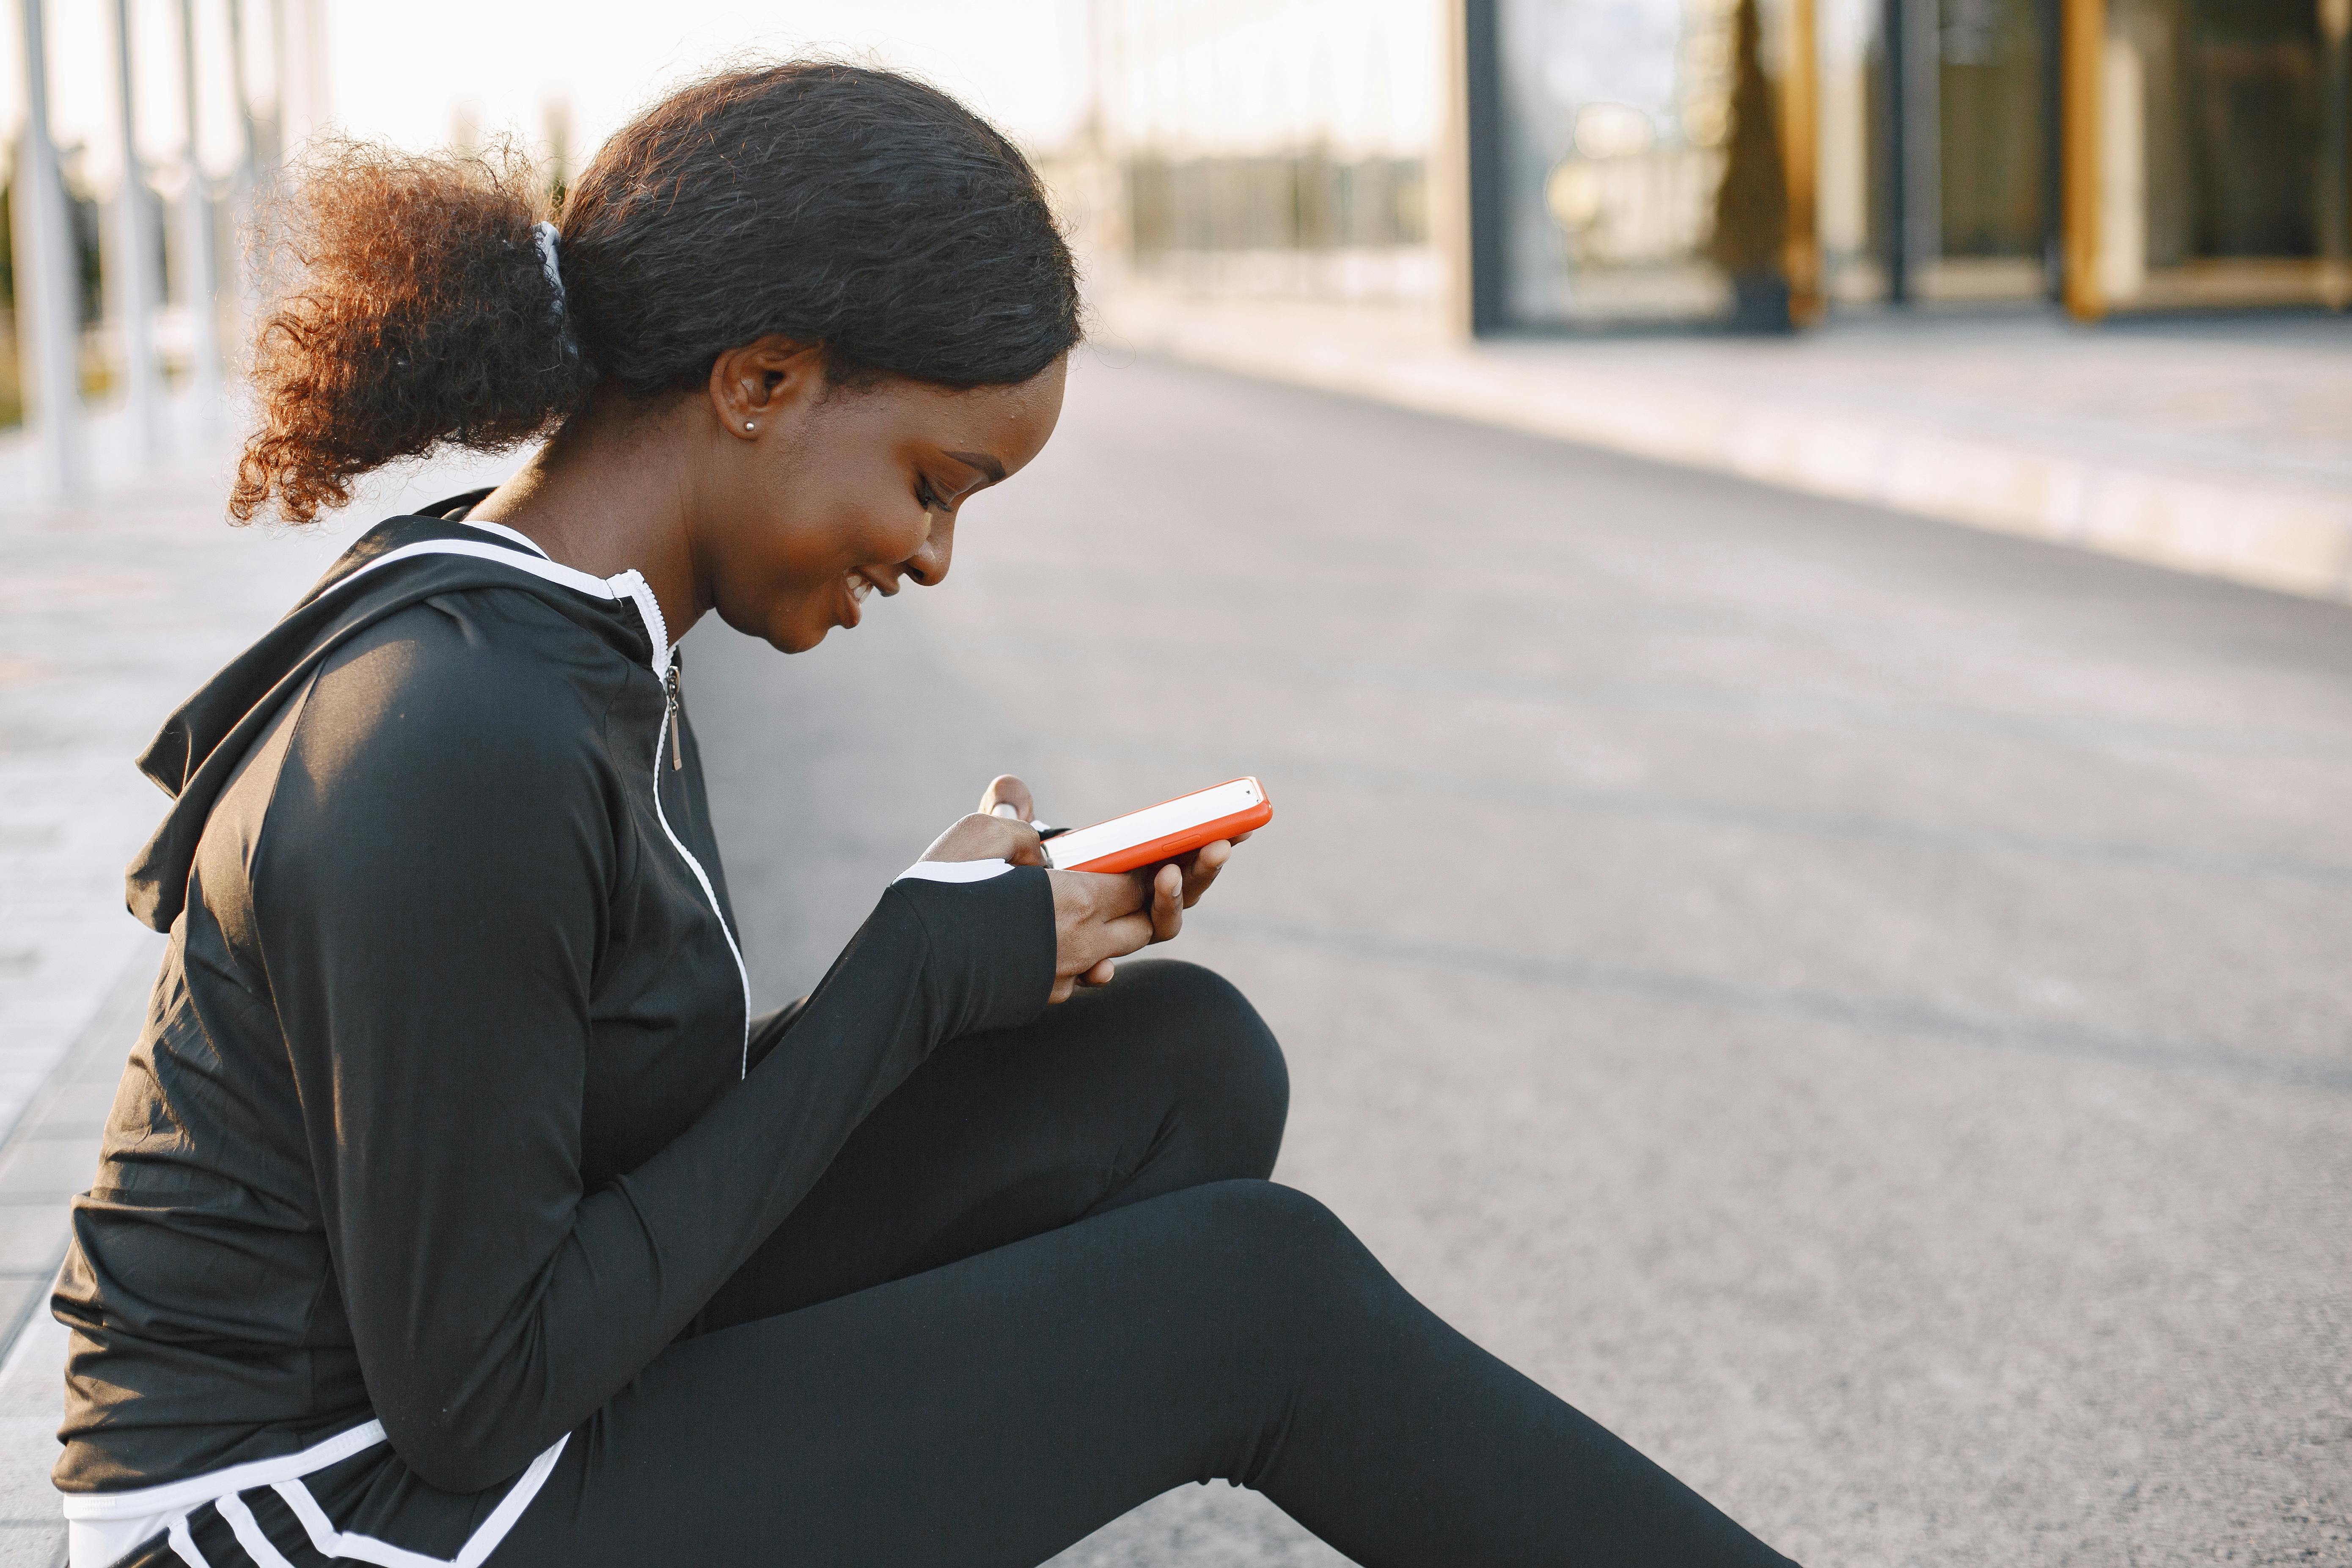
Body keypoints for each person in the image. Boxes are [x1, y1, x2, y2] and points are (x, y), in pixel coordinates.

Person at [50, 62, 1799, 1568]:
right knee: (1253, 1302)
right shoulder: (455, 733)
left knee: (1169, 1067)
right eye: (930, 481)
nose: (931, 554)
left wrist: (970, 964)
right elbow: (475, 1390)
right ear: (761, 382)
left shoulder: (574, 640)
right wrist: (905, 982)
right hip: (313, 1518)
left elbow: (577, 1163)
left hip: (457, 1441)